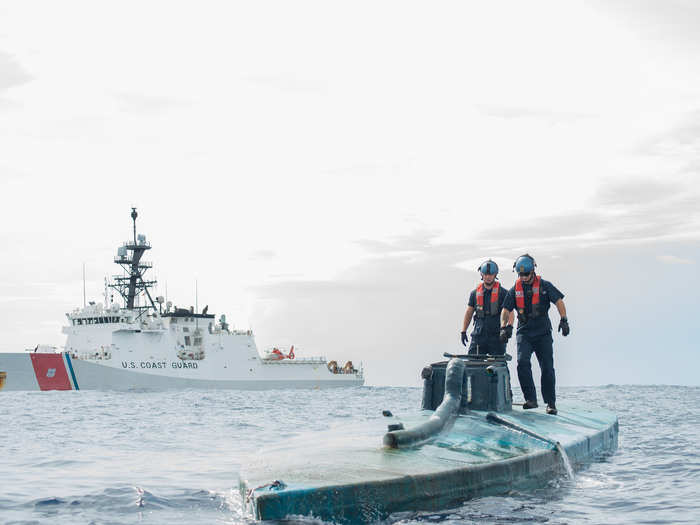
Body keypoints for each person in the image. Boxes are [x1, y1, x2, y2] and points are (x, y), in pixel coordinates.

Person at [499, 254, 569, 415]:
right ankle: (530, 399)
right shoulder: (514, 290)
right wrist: (504, 327)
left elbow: (558, 301)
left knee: (547, 368)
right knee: (522, 362)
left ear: (533, 271)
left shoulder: (545, 286)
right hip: (524, 332)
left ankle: (551, 403)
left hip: (543, 332)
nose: (523, 277)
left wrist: (564, 319)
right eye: (520, 275)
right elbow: (506, 310)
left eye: (526, 274)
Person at [460, 260, 512, 355]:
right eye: (486, 274)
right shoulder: (475, 293)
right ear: (482, 274)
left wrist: (509, 328)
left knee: (498, 365)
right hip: (479, 336)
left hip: (497, 336)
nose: (488, 277)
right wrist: (463, 331)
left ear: (495, 275)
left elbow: (510, 312)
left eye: (491, 274)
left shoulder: (503, 293)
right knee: (473, 363)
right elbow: (469, 312)